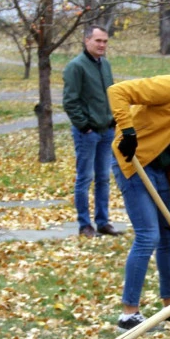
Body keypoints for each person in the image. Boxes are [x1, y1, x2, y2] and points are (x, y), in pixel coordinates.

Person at [107, 73, 170, 331]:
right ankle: (128, 314)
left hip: (160, 171)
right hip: (133, 161)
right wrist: (128, 131)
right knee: (148, 235)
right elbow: (117, 91)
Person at [62, 25, 122, 238]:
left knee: (103, 178)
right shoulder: (76, 67)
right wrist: (84, 126)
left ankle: (103, 222)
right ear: (87, 40)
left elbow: (111, 94)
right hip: (87, 132)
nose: (102, 45)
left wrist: (113, 120)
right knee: (84, 178)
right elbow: (70, 101)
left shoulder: (104, 65)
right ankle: (84, 225)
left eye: (105, 41)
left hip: (106, 130)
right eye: (98, 41)